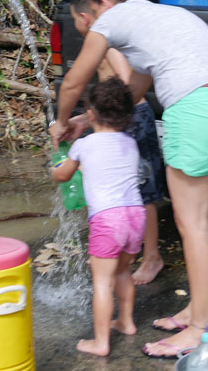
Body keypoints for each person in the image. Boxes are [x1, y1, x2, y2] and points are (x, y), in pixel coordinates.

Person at [50, 0, 208, 358]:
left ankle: (199, 330)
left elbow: (75, 81)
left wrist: (61, 122)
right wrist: (85, 120)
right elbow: (130, 92)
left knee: (192, 222)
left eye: (94, 14)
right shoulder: (165, 16)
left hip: (197, 110)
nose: (95, 24)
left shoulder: (112, 19)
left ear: (103, 4)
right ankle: (200, 311)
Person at [69, 0, 167, 284]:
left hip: (130, 117)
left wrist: (110, 111)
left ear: (84, 17)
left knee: (143, 191)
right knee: (125, 188)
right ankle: (125, 249)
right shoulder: (104, 37)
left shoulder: (106, 41)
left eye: (74, 19)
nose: (75, 25)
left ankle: (152, 257)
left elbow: (125, 77)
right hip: (116, 118)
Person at [51, 78, 145, 356]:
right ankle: (126, 322)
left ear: (90, 115)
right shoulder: (130, 142)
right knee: (123, 271)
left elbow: (63, 175)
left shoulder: (85, 144)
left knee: (102, 282)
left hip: (108, 220)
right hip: (136, 216)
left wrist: (56, 161)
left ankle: (100, 342)